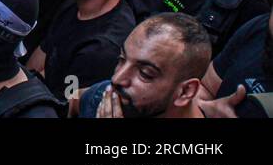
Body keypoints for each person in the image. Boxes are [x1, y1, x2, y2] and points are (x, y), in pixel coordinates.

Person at [76, 14, 212, 118]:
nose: (117, 78)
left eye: (145, 73)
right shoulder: (111, 95)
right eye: (122, 59)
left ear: (185, 91)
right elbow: (68, 103)